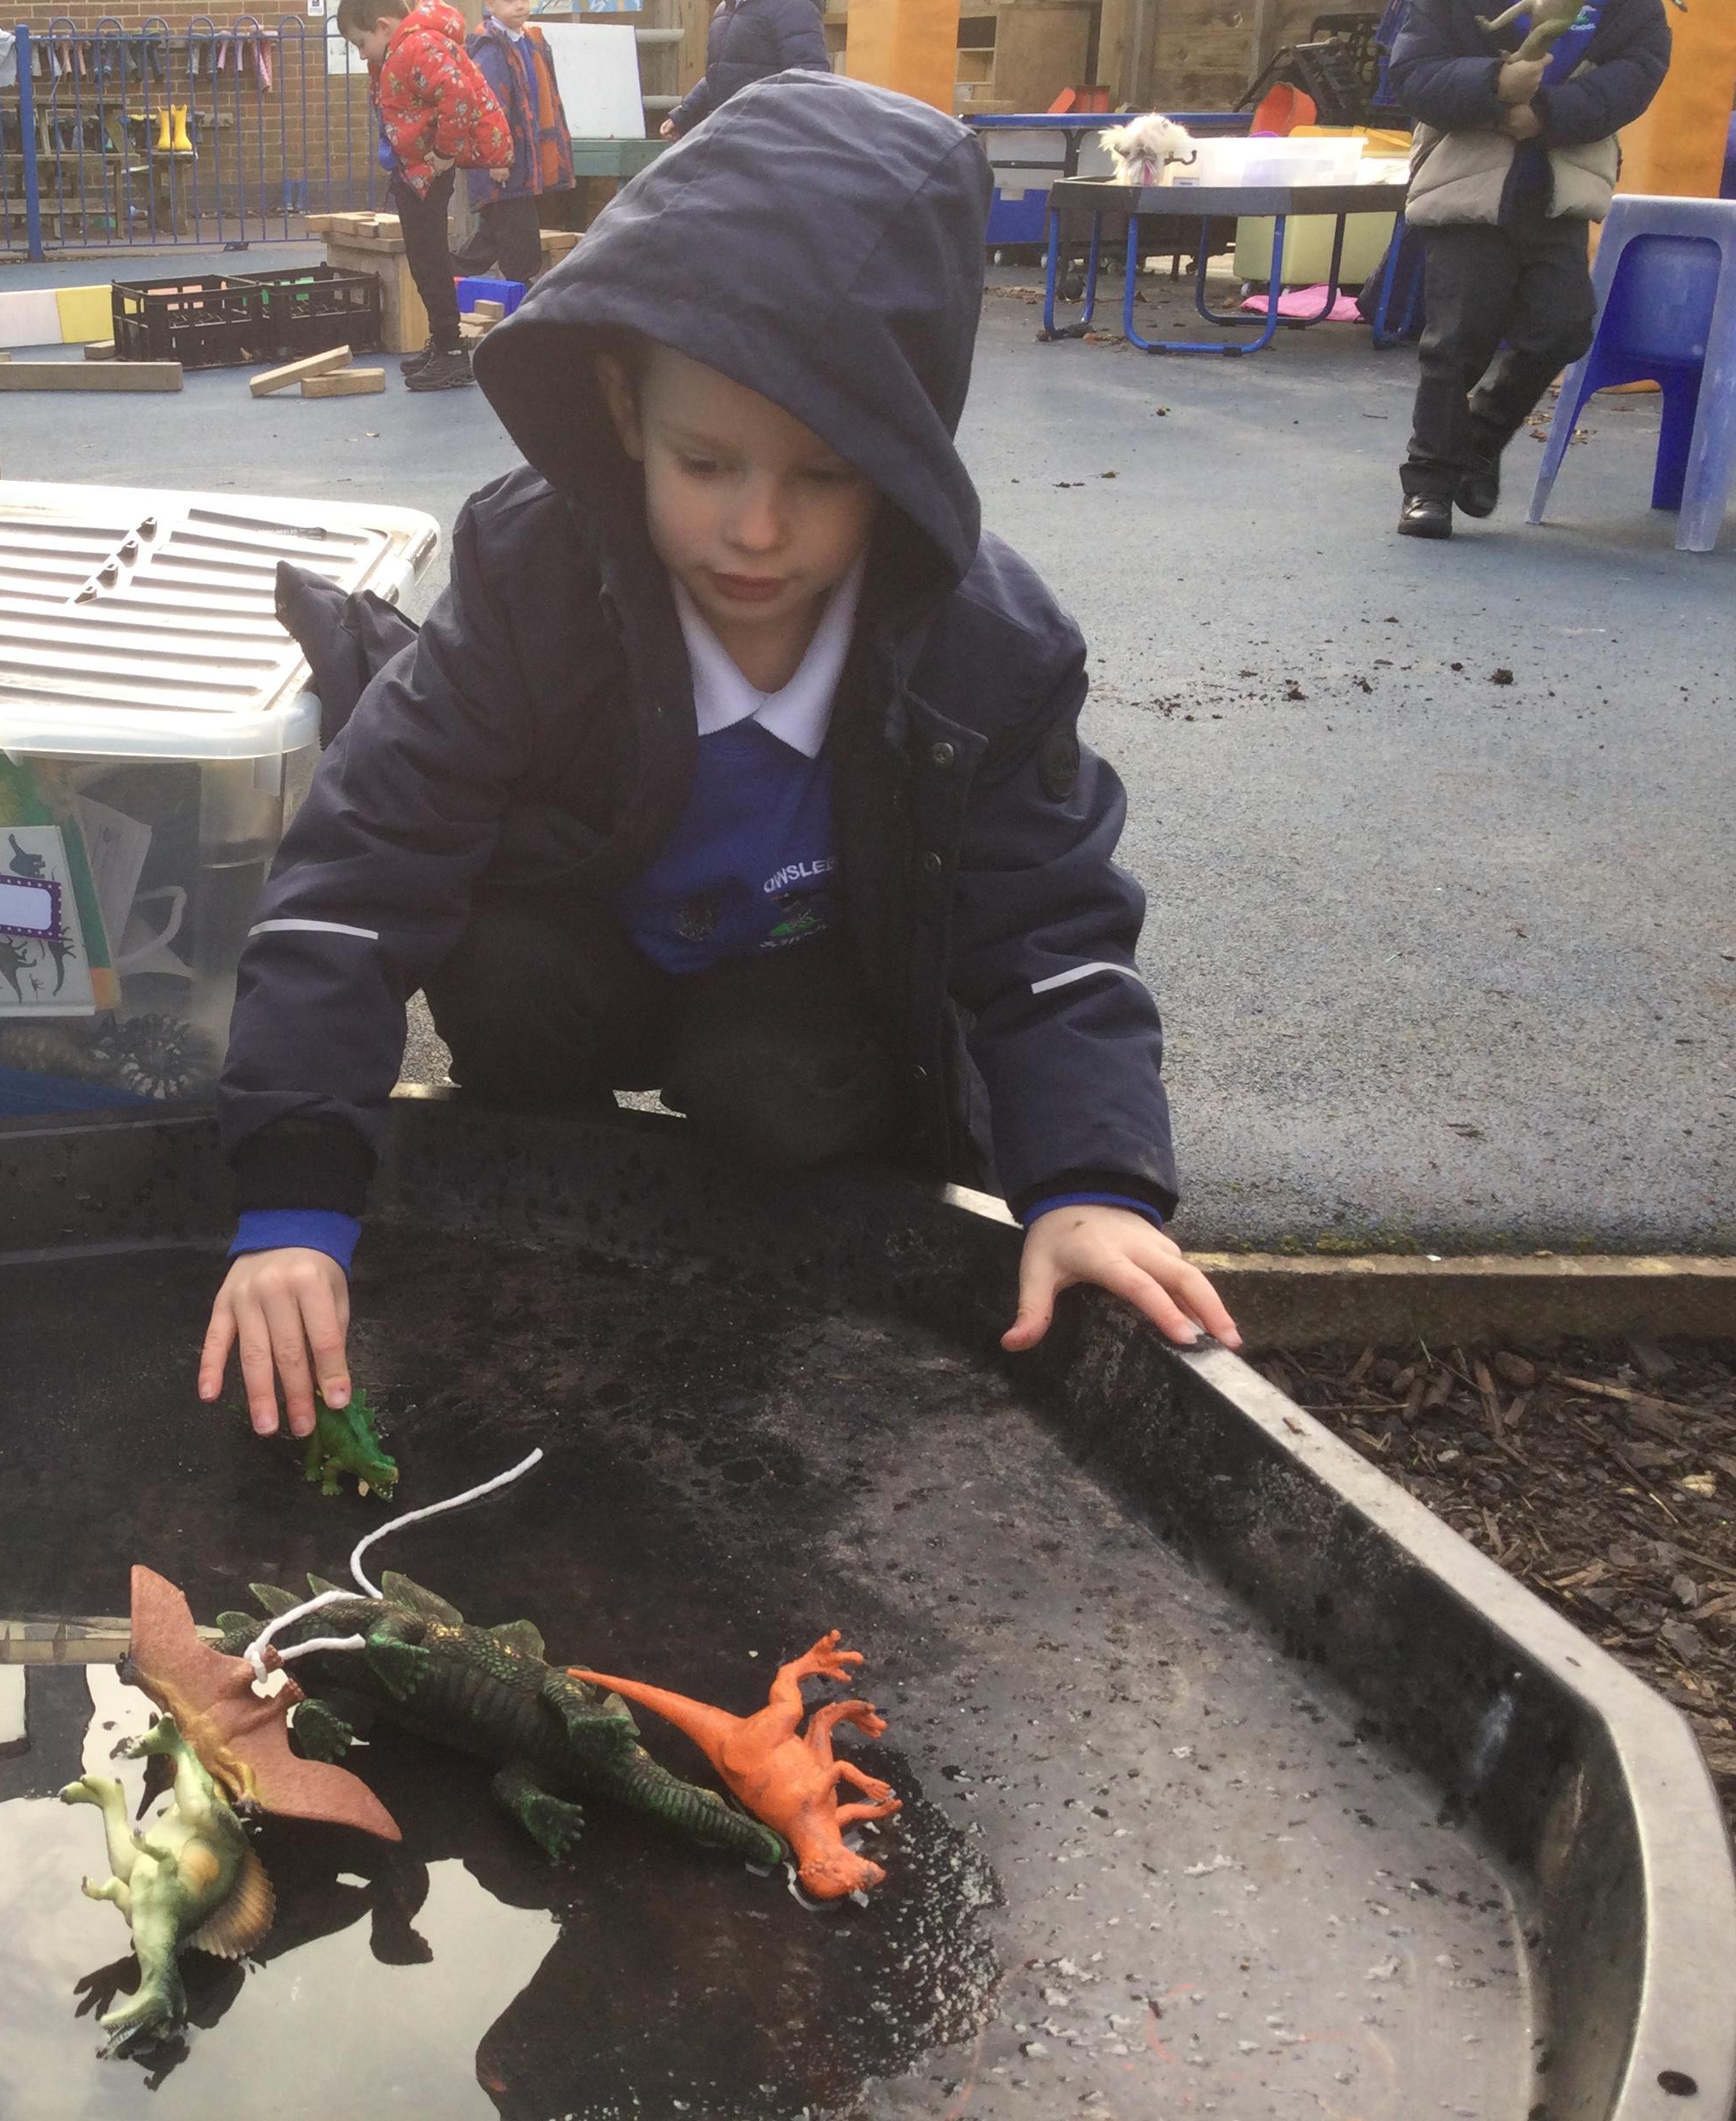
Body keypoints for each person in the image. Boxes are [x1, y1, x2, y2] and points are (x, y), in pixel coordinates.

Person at [198, 72, 1240, 1442]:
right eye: (707, 464)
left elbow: (1051, 934)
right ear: (626, 412)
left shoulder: (987, 652)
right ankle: (547, 1179)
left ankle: (780, 1248)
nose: (756, 530)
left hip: (798, 987)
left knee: (783, 1090)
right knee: (503, 965)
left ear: (905, 456)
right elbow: (359, 868)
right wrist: (294, 1198)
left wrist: (1091, 1185)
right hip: (583, 949)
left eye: (823, 475)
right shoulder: (532, 579)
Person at [1389, 0, 1669, 538]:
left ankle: (1481, 437)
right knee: (1458, 338)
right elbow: (1413, 73)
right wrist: (1495, 83)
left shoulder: (1628, 6)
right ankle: (1429, 484)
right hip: (1467, 182)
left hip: (1561, 188)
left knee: (1564, 326)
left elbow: (1637, 74)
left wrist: (1547, 112)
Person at [339, 0, 512, 393]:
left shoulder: (417, 47)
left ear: (384, 26)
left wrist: (446, 152)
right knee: (422, 259)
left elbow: (459, 93)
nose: (362, 54)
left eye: (362, 43)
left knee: (430, 259)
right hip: (413, 169)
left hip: (428, 170)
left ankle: (451, 351)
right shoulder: (400, 50)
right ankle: (443, 340)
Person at [464, 0, 575, 285]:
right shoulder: (490, 48)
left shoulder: (529, 40)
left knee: (494, 235)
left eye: (523, 0)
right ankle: (521, 288)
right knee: (519, 234)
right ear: (490, 5)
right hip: (503, 162)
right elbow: (489, 106)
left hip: (523, 160)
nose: (519, 6)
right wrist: (496, 156)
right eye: (509, 1)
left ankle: (453, 276)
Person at [659, 0, 830, 139]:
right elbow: (721, 73)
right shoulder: (724, 10)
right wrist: (685, 115)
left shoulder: (794, 7)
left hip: (767, 141)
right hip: (726, 135)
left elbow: (808, 77)